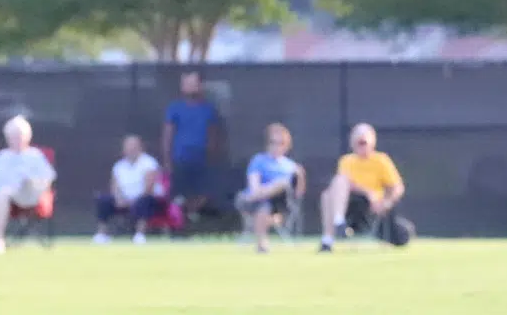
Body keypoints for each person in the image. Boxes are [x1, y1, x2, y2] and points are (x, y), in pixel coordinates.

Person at [0, 115, 56, 252]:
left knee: (3, 193)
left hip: (25, 195)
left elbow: (47, 179)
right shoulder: (2, 156)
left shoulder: (35, 156)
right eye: (12, 136)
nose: (16, 139)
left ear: (27, 137)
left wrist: (33, 184)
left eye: (19, 135)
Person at [319, 124, 405, 251]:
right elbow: (345, 184)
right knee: (327, 195)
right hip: (348, 204)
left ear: (372, 142)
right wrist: (366, 191)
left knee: (334, 188)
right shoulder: (346, 160)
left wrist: (386, 202)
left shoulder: (381, 160)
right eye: (358, 142)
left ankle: (338, 222)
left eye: (364, 142)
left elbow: (397, 187)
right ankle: (330, 236)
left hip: (369, 206)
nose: (361, 146)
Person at [238, 123, 305, 252]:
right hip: (255, 202)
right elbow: (254, 186)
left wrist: (300, 177)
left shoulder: (291, 166)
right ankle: (262, 243)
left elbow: (297, 194)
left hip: (281, 204)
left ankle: (267, 216)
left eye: (281, 143)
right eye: (273, 142)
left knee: (283, 184)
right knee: (264, 205)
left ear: (287, 145)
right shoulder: (258, 160)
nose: (276, 146)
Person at [159, 71, 223, 203]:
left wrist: (212, 157)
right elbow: (167, 135)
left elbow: (213, 135)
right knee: (178, 194)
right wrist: (167, 161)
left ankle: (196, 217)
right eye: (186, 83)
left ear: (200, 85)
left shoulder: (209, 109)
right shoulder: (175, 108)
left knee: (200, 193)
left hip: (202, 160)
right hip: (180, 159)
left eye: (193, 83)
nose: (189, 86)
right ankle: (180, 218)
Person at [95, 135, 167, 242]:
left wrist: (133, 201)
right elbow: (114, 187)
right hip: (123, 200)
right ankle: (102, 235)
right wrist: (119, 199)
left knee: (144, 201)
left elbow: (149, 187)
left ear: (140, 147)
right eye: (128, 146)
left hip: (148, 200)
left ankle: (139, 235)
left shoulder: (149, 162)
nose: (130, 149)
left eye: (133, 146)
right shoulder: (118, 166)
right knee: (103, 200)